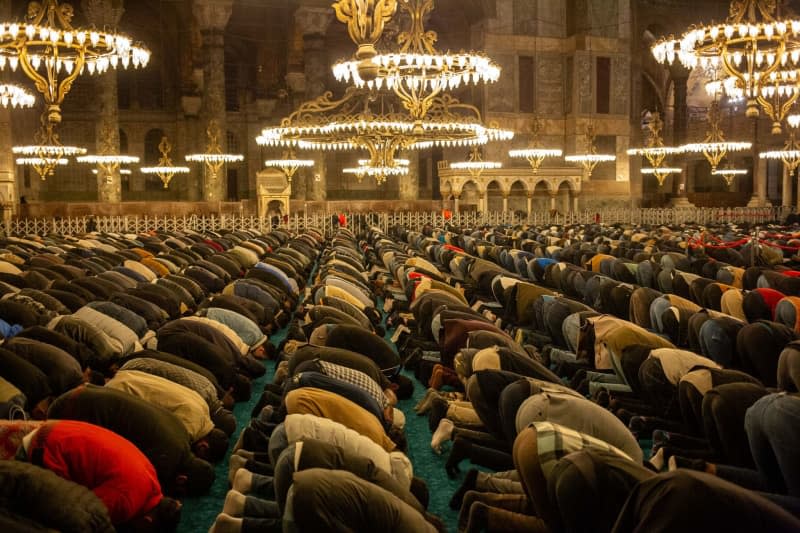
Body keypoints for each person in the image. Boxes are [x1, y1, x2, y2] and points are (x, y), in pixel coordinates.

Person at [19, 419, 182, 531]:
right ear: (147, 523)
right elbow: (81, 514)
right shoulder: (125, 502)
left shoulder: (152, 479)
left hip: (59, 428)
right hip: (45, 448)